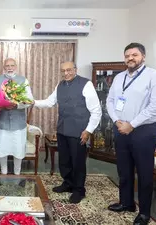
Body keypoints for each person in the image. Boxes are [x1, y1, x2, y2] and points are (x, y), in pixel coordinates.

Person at [106, 43, 156, 225]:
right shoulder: (119, 77)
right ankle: (126, 203)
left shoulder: (154, 77)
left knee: (145, 173)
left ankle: (145, 213)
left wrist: (132, 124)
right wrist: (117, 121)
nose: (130, 58)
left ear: (143, 57)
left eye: (135, 55)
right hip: (121, 128)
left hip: (144, 131)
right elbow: (110, 100)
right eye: (127, 55)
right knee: (124, 170)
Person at [33, 61, 102, 203]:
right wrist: (32, 102)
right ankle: (68, 183)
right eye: (63, 71)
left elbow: (96, 111)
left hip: (79, 131)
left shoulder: (86, 84)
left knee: (78, 162)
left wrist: (88, 131)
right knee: (64, 160)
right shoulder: (60, 85)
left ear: (75, 70)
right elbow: (49, 102)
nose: (66, 73)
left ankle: (79, 190)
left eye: (69, 70)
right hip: (63, 129)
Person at [0, 58, 33, 175]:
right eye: (7, 66)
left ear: (16, 66)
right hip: (1, 123)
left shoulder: (23, 80)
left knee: (18, 150)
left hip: (18, 124)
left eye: (12, 65)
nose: (10, 68)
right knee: (2, 150)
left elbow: (29, 100)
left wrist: (16, 105)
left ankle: (17, 174)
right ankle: (3, 173)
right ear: (4, 67)